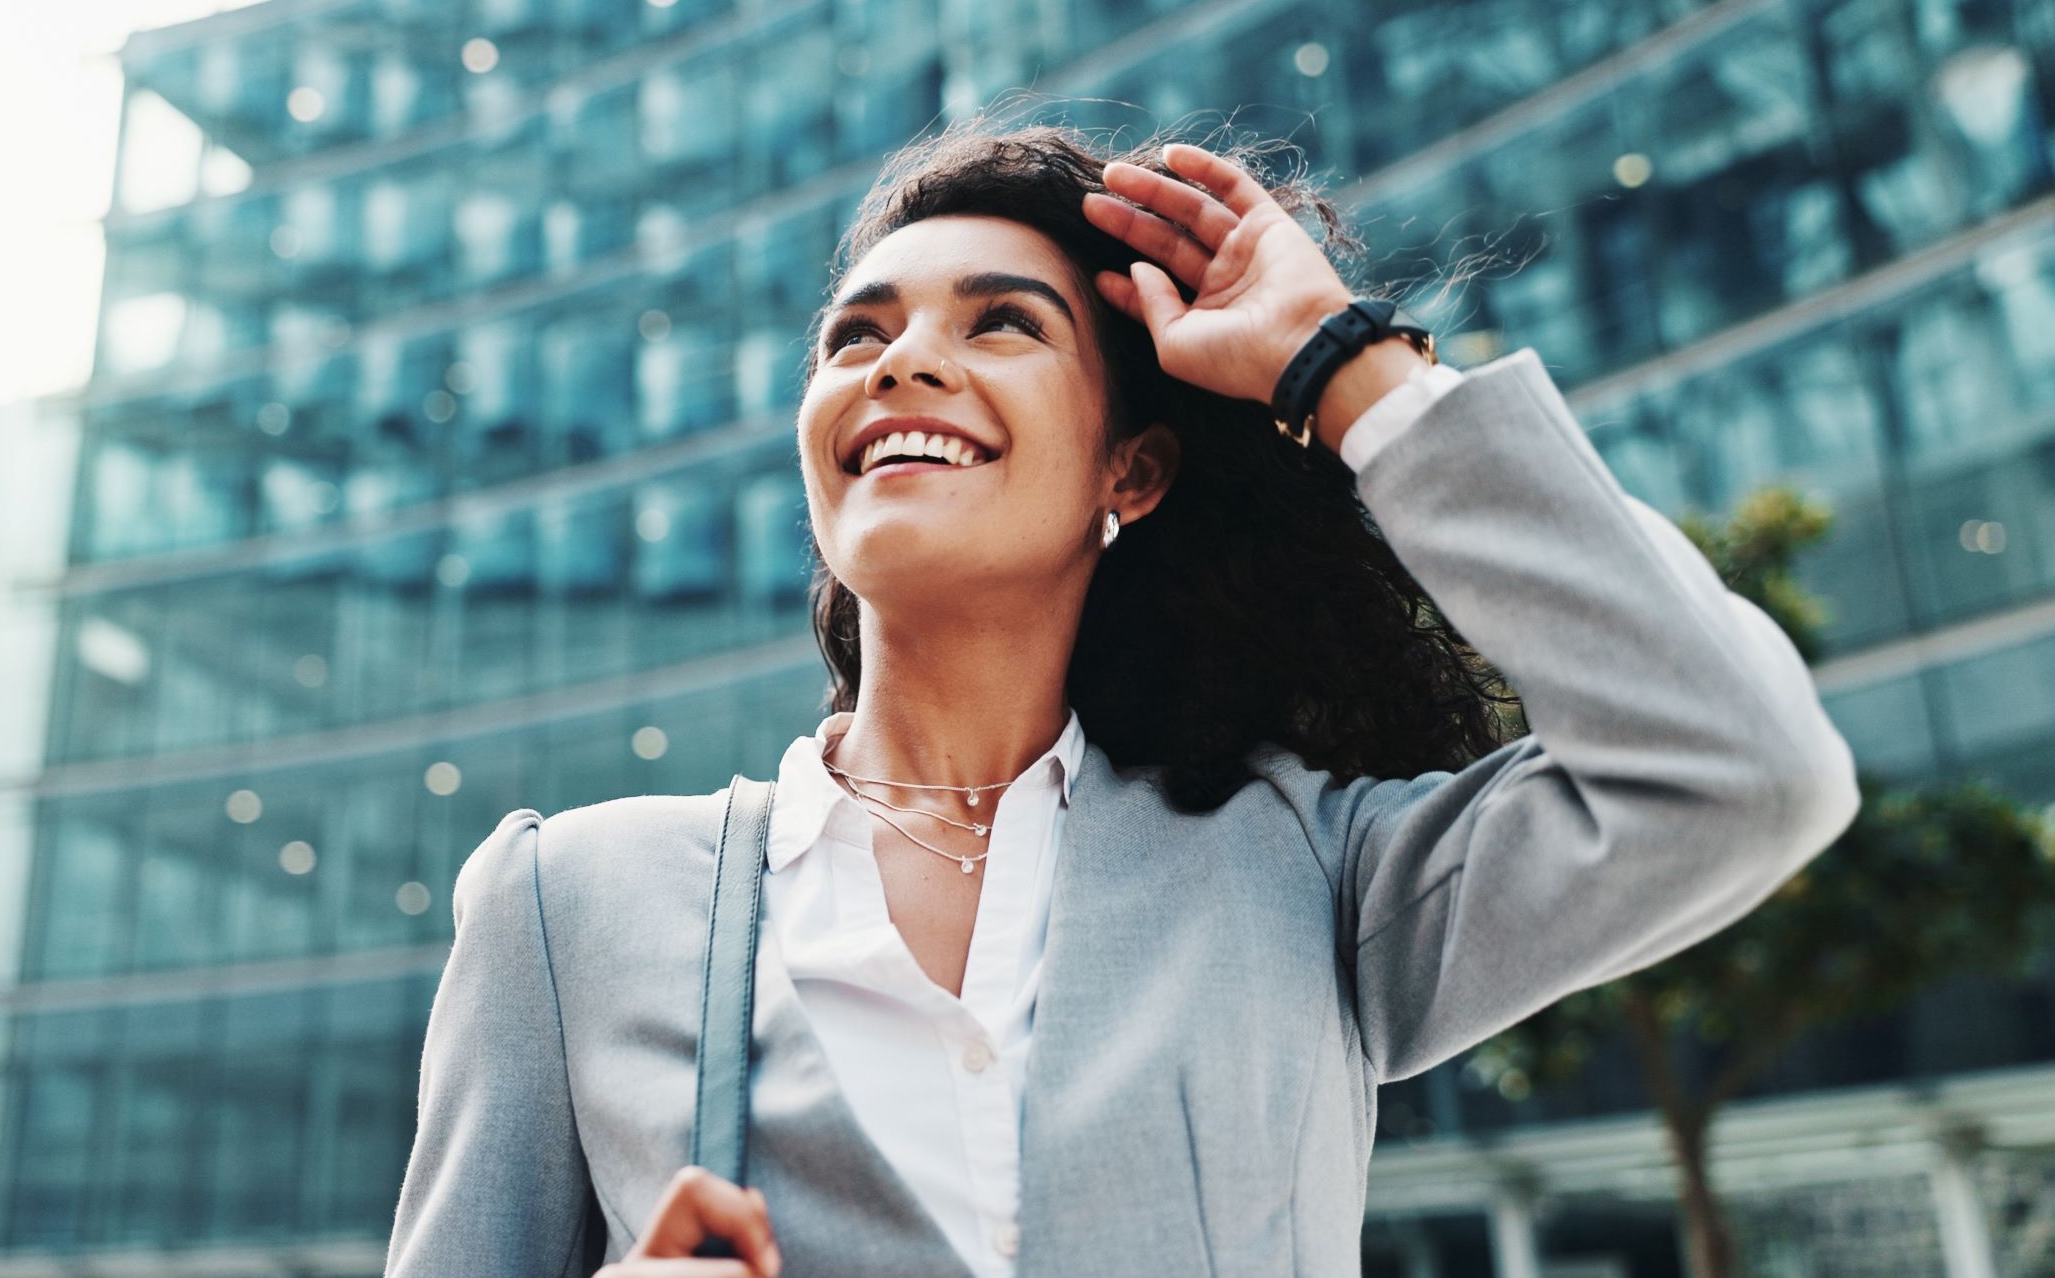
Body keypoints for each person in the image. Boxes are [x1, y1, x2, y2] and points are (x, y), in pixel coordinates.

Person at [379, 118, 1861, 1277]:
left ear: (1129, 474)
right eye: (857, 334)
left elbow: (1745, 767)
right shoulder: (567, 908)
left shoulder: (1306, 872)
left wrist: (1345, 363)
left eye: (999, 325)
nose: (903, 360)